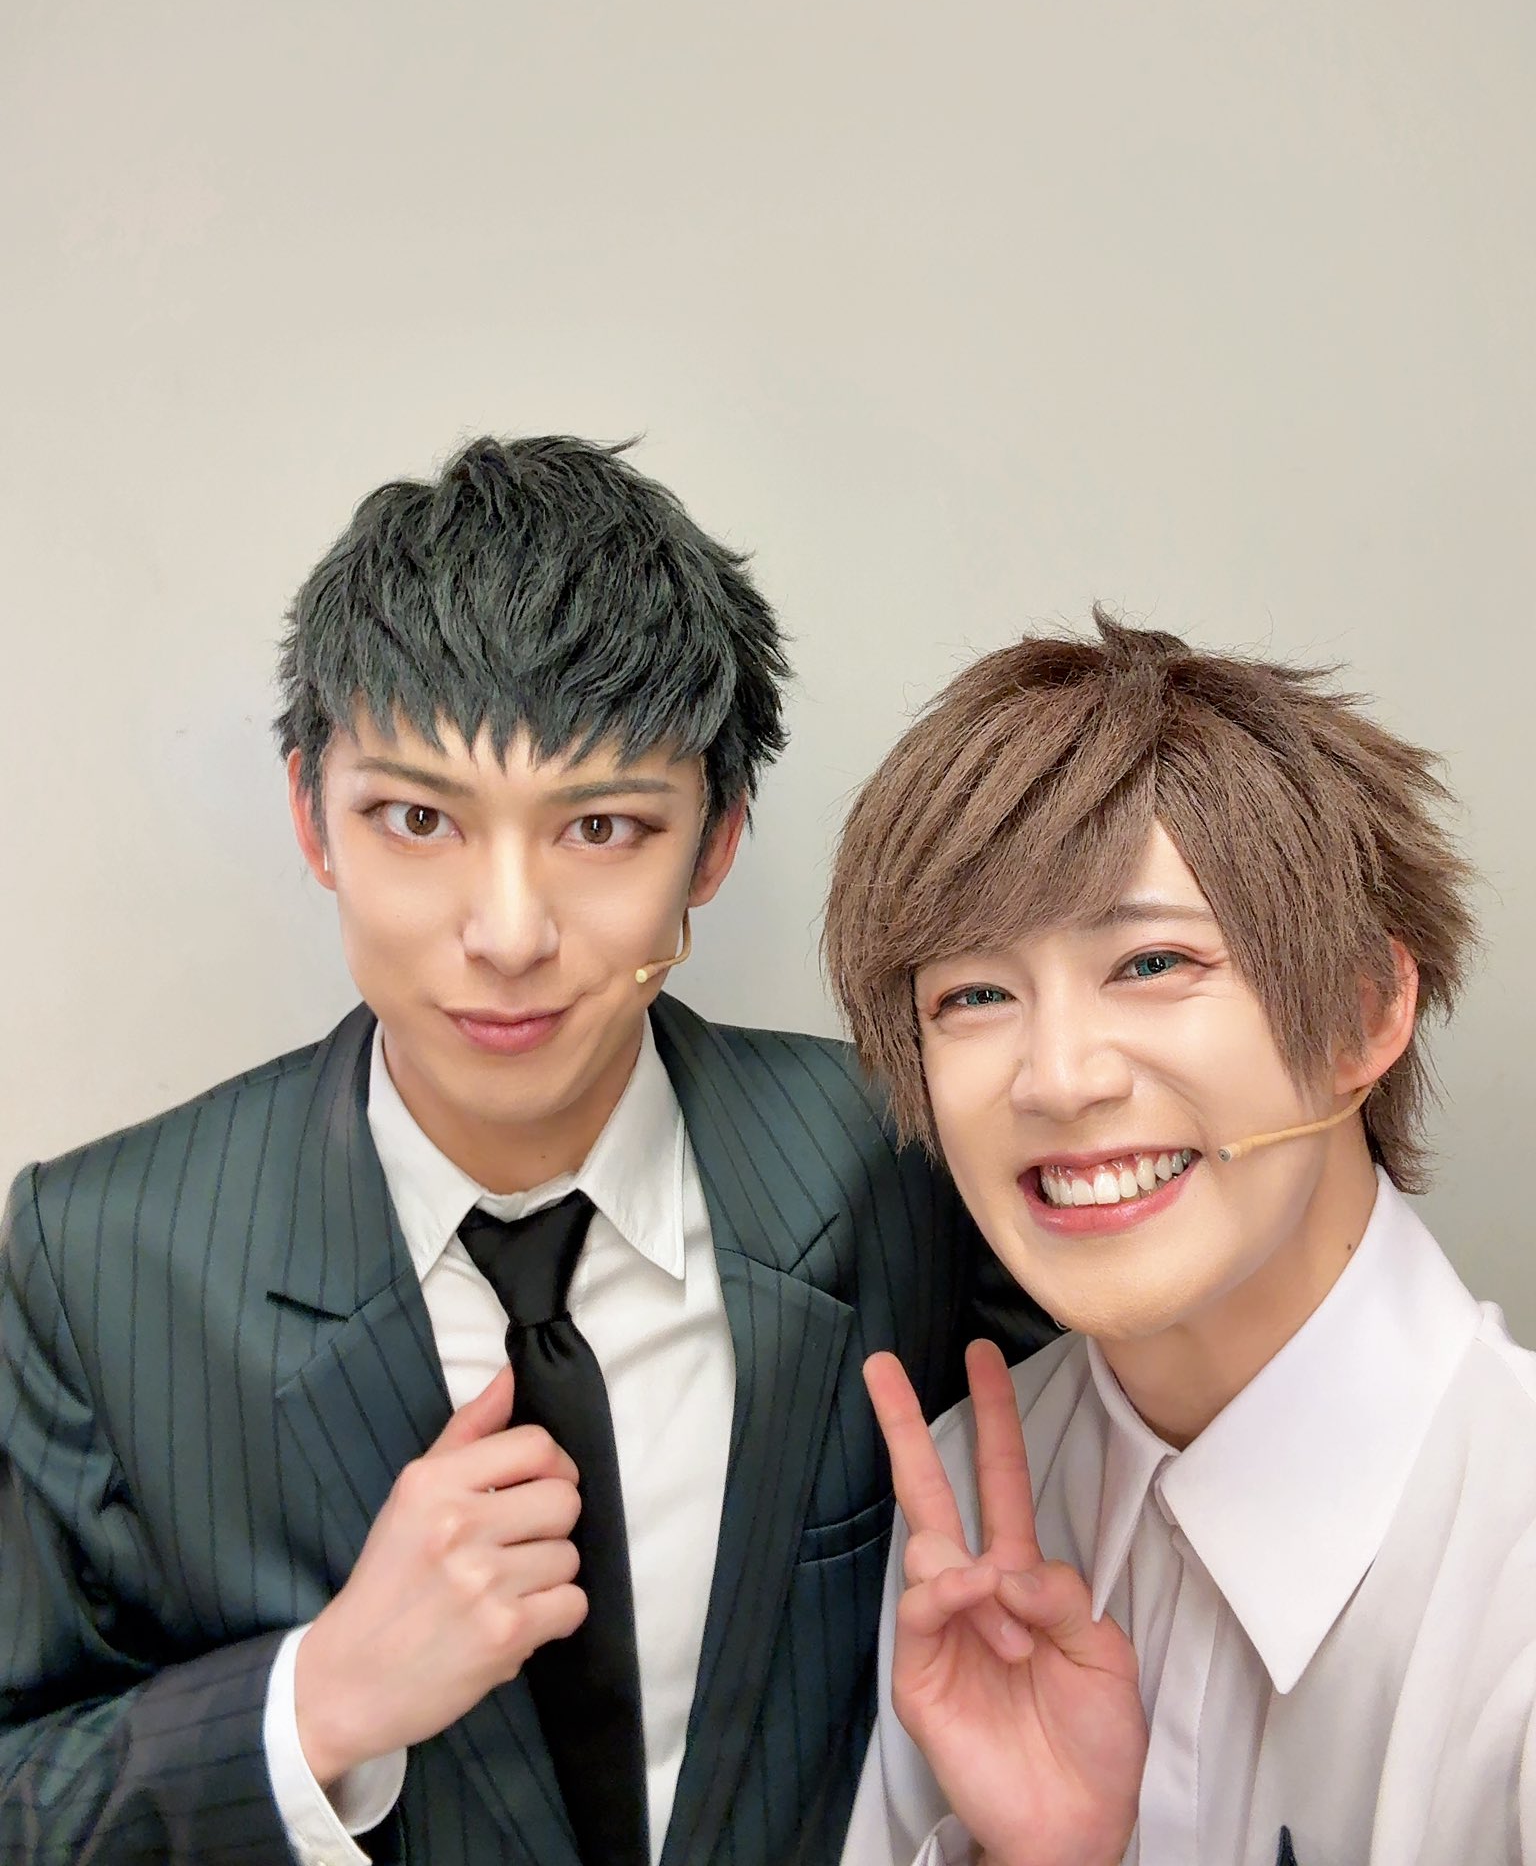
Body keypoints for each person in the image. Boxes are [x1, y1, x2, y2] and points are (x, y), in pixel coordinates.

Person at [0, 436, 1051, 1866]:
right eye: (418, 818)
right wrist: (317, 1704)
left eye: (601, 826)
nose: (507, 933)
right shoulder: (98, 1258)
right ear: (311, 816)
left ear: (716, 843)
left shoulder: (903, 1158)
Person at [823, 613, 1536, 1866]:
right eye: (974, 993)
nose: (1058, 1077)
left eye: (1152, 961)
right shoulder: (971, 1505)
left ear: (1364, 1011)